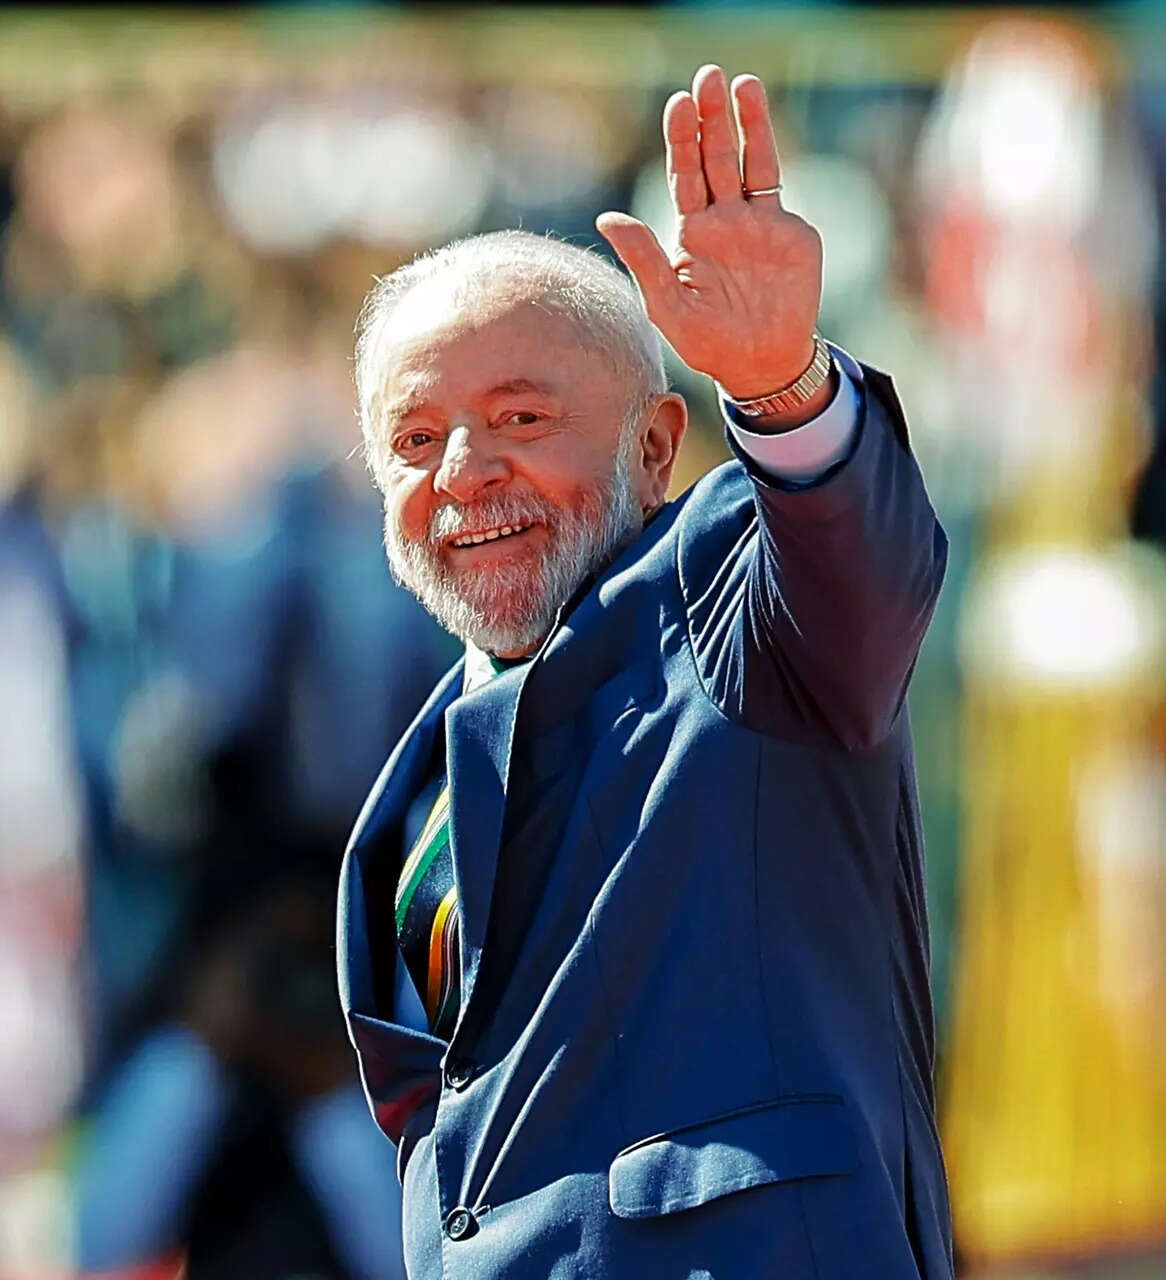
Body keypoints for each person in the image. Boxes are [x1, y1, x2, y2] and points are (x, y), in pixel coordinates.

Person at [336, 65, 953, 1276]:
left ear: (659, 444)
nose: (464, 469)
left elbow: (862, 571)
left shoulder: (734, 610)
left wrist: (781, 386)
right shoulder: (420, 777)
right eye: (416, 438)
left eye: (520, 418)